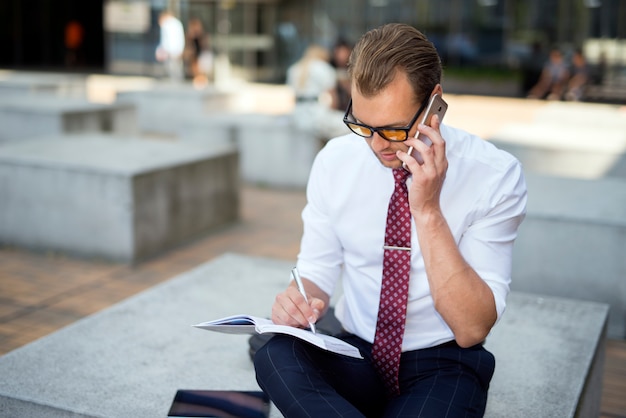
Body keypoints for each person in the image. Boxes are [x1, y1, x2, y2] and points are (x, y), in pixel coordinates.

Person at [254, 23, 527, 417]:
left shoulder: (496, 175)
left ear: (435, 103)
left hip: (442, 364)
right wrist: (298, 303)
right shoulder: (336, 160)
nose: (377, 144)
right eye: (363, 125)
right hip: (354, 350)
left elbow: (472, 327)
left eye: (394, 129)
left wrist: (428, 210)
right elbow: (317, 270)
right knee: (275, 356)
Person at [286, 44, 348, 141]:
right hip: (317, 115)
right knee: (350, 126)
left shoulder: (294, 69)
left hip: (297, 116)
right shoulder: (322, 67)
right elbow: (333, 99)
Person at [155, 10, 185, 82]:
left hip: (169, 49)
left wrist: (162, 50)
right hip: (177, 49)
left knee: (172, 66)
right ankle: (178, 80)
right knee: (176, 66)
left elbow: (165, 40)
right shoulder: (177, 23)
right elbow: (181, 37)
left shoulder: (166, 24)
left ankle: (174, 80)